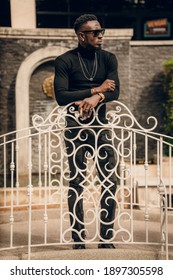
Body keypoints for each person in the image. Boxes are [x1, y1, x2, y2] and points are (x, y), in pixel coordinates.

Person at [54, 14, 120, 249]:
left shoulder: (109, 59)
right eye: (95, 32)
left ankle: (106, 237)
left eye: (101, 31)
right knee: (77, 182)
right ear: (82, 35)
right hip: (75, 127)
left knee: (110, 180)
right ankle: (78, 238)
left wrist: (96, 98)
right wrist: (96, 88)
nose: (100, 35)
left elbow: (115, 91)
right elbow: (61, 96)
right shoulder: (64, 61)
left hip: (100, 128)